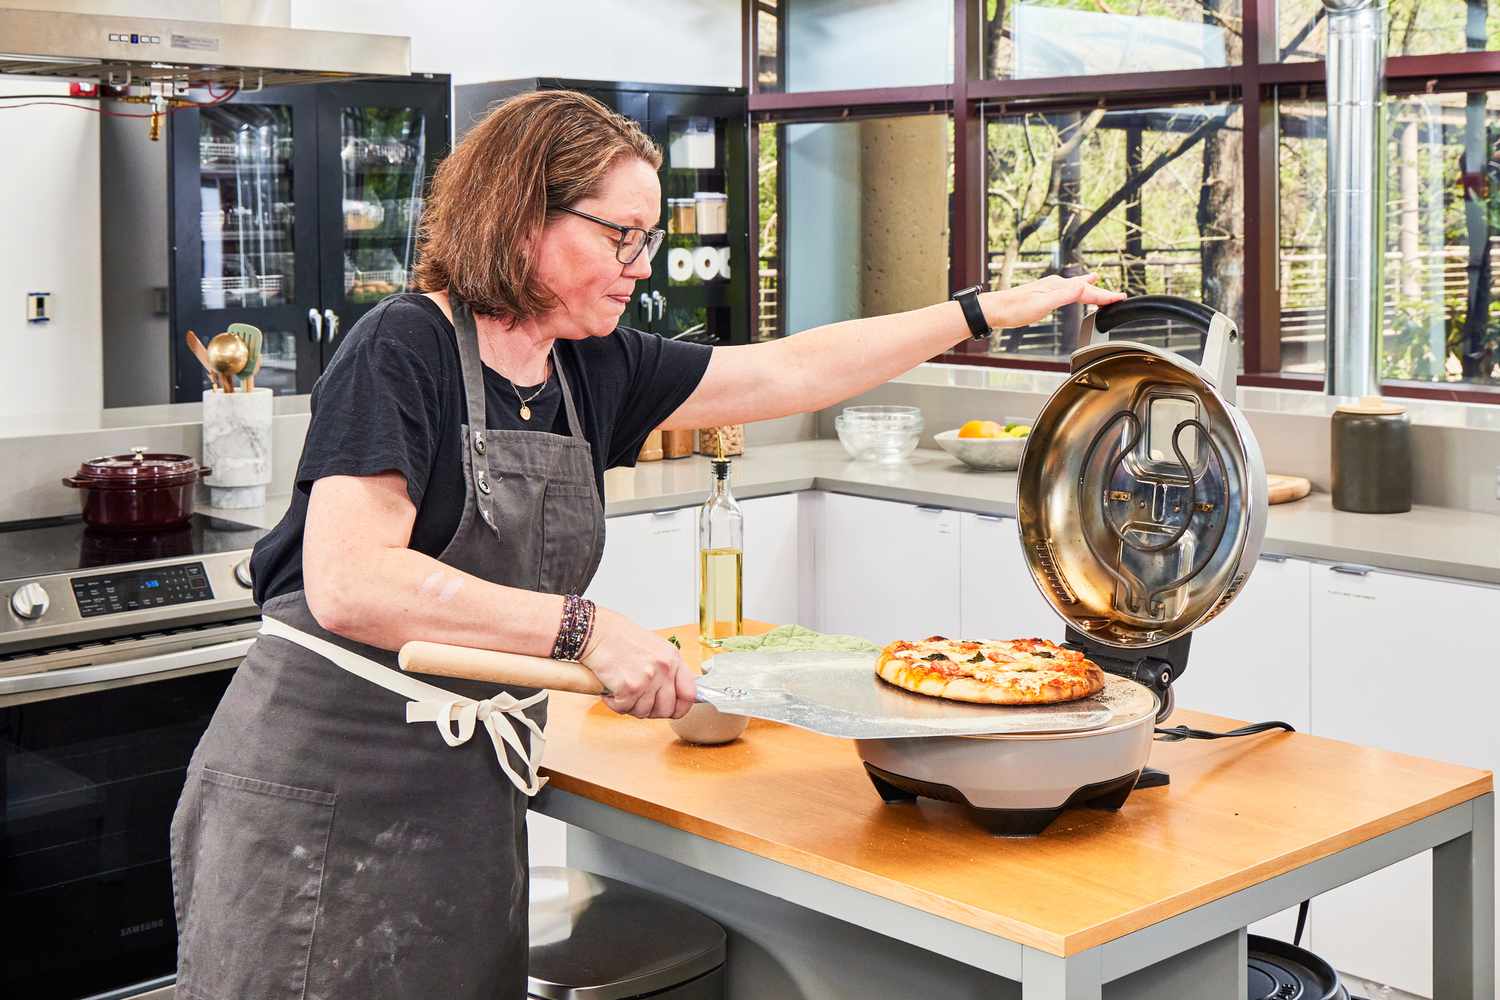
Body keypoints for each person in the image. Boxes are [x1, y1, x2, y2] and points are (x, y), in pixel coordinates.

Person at [170, 89, 1123, 999]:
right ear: (519, 216)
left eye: (648, 238)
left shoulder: (590, 368)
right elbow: (351, 582)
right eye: (620, 236)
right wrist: (584, 629)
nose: (641, 263)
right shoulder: (400, 347)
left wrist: (980, 314)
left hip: (464, 798)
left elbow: (793, 367)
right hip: (320, 793)